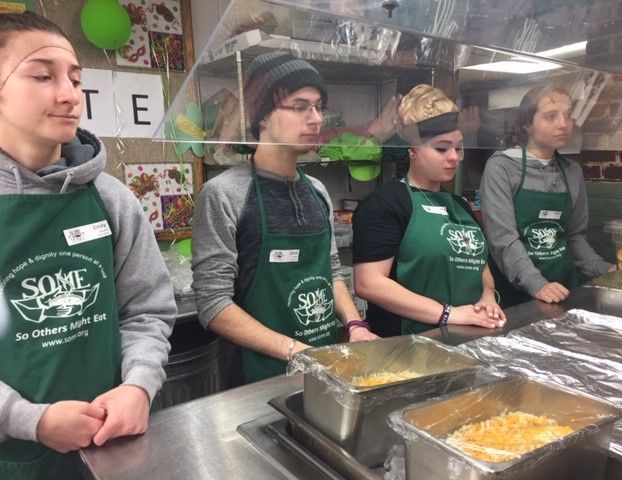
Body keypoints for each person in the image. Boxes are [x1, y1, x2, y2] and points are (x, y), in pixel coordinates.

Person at [0, 11, 176, 479]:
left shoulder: (111, 198)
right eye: (43, 76)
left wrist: (139, 387)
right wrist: (28, 419)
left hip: (110, 448)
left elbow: (147, 311)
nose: (69, 94)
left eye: (76, 79)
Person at [191, 51, 378, 385]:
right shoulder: (224, 194)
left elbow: (331, 272)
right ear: (262, 116)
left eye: (319, 106)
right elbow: (213, 304)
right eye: (300, 106)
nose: (316, 119)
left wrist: (355, 325)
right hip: (257, 380)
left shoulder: (317, 190)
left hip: (322, 368)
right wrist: (296, 351)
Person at [352, 84, 506, 337]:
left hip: (467, 336)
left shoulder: (459, 206)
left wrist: (488, 296)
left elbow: (480, 267)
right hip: (408, 345)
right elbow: (368, 283)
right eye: (441, 148)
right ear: (412, 150)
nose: (454, 157)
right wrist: (449, 314)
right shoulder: (385, 204)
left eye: (458, 147)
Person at [480, 85, 614, 307]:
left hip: (563, 290)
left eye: (568, 115)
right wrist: (536, 283)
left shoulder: (572, 172)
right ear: (527, 124)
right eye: (551, 116)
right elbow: (503, 239)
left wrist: (606, 269)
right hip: (516, 297)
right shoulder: (502, 167)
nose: (563, 123)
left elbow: (574, 238)